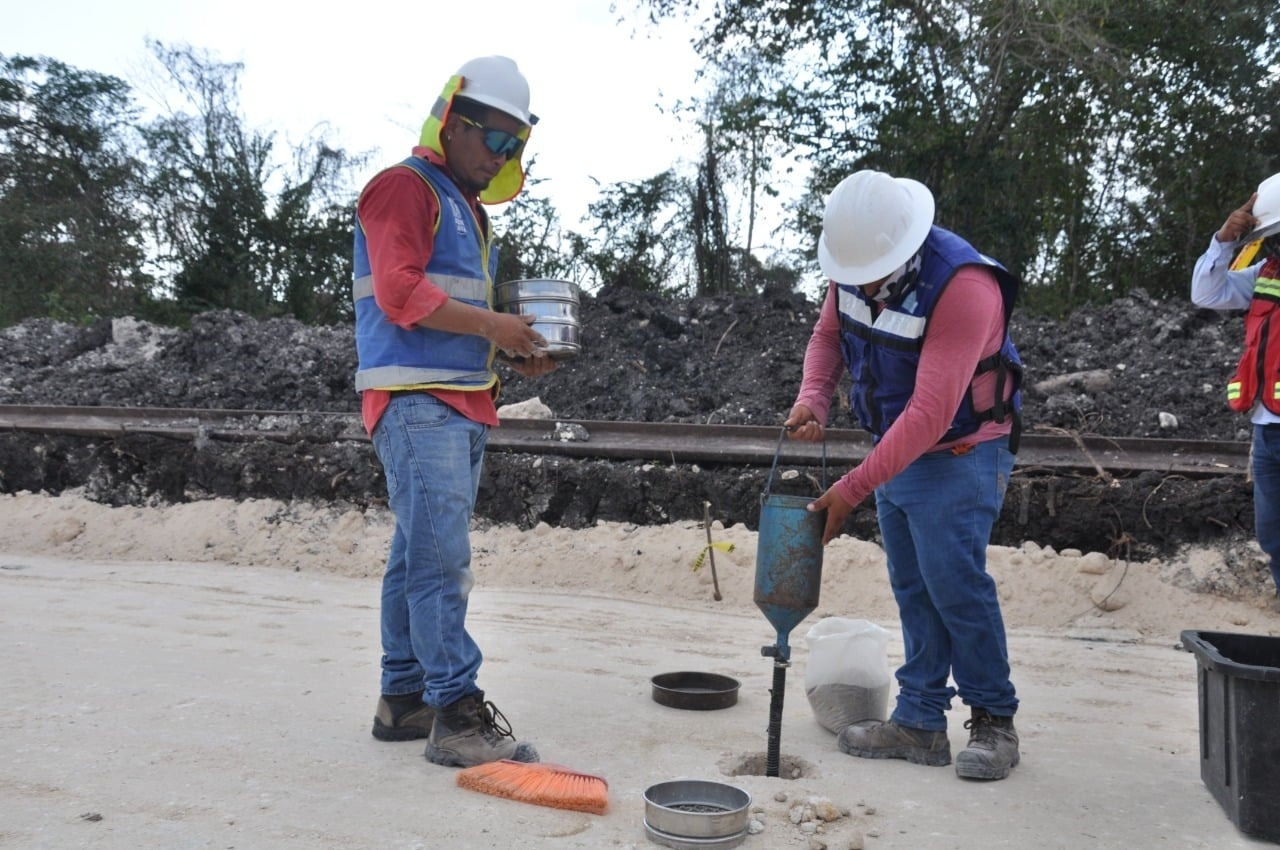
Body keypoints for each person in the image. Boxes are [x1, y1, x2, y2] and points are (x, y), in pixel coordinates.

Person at [784, 170, 1024, 781]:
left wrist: (853, 486)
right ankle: (919, 720)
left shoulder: (964, 287)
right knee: (914, 587)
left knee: (956, 585)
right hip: (895, 447)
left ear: (905, 246)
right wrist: (813, 396)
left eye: (870, 271)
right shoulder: (851, 269)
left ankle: (994, 719)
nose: (858, 283)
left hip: (960, 451)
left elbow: (931, 412)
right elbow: (828, 336)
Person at [352, 55, 557, 768]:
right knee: (443, 561)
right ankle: (455, 710)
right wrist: (495, 326)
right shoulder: (402, 188)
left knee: (417, 556)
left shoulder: (463, 207)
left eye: (513, 146)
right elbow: (400, 294)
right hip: (415, 404)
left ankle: (402, 698)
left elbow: (452, 317)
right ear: (452, 122)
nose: (500, 156)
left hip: (458, 402)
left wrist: (510, 351)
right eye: (492, 140)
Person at [1190, 172, 1280, 613]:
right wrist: (1225, 241)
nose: (1272, 246)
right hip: (1267, 428)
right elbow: (1208, 292)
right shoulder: (1268, 274)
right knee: (1274, 534)